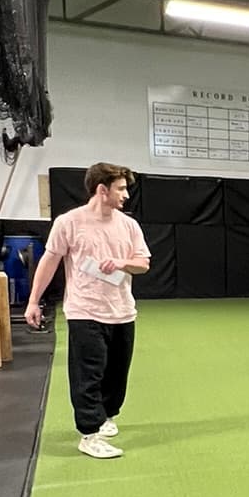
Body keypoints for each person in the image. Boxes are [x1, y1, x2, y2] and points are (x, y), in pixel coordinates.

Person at [25, 163, 152, 461]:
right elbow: (49, 261)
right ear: (102, 190)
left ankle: (105, 416)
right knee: (88, 374)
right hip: (85, 311)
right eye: (121, 189)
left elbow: (143, 264)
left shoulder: (129, 226)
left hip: (122, 311)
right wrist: (33, 301)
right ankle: (89, 434)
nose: (126, 195)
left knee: (116, 375)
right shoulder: (69, 222)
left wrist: (121, 263)